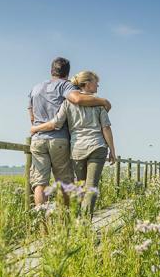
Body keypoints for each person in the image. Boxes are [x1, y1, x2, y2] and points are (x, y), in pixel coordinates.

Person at [31, 70, 116, 217]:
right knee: (91, 188)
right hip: (97, 147)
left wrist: (35, 128)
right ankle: (83, 223)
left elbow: (56, 123)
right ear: (87, 84)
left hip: (77, 150)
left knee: (81, 187)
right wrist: (113, 151)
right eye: (96, 83)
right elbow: (106, 128)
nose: (98, 86)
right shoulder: (98, 103)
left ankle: (75, 220)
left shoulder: (67, 103)